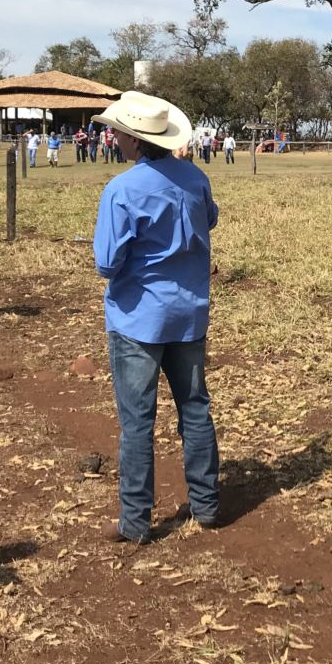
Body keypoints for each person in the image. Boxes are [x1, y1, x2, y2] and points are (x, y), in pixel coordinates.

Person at [92, 92, 220, 544]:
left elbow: (107, 263)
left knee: (137, 420)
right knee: (195, 408)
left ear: (133, 139)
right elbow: (212, 218)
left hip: (138, 319)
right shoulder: (196, 176)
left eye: (120, 132)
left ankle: (136, 520)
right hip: (189, 314)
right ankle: (206, 506)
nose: (116, 138)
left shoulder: (122, 189)